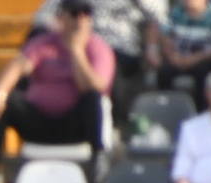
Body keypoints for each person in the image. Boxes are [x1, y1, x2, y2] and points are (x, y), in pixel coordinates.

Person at [0, 0, 115, 183]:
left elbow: (96, 86)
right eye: (75, 14)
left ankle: (99, 159)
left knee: (92, 99)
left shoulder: (98, 48)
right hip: (40, 123)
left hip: (75, 125)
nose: (81, 20)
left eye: (86, 14)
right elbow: (18, 67)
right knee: (6, 100)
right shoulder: (43, 43)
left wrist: (76, 50)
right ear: (61, 17)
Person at [34, 0, 167, 123]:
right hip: (81, 43)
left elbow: (158, 15)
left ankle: (113, 124)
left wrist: (152, 47)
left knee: (108, 73)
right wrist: (59, 25)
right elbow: (42, 16)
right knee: (38, 41)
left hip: (120, 45)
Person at [156, 0, 211, 106]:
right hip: (178, 57)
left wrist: (194, 59)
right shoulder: (175, 13)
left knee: (204, 73)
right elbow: (165, 36)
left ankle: (201, 111)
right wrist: (173, 56)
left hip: (203, 59)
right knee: (164, 71)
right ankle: (167, 106)